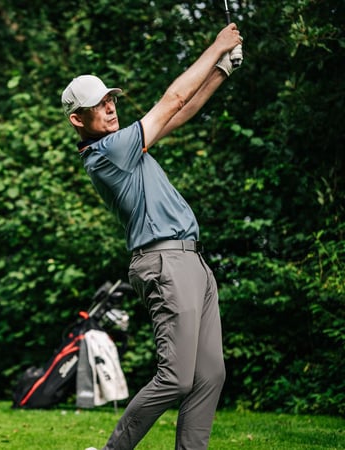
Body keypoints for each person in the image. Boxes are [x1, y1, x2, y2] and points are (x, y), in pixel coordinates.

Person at [62, 24, 244, 450]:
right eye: (98, 105)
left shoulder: (126, 143)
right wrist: (216, 46)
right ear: (78, 119)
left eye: (110, 99)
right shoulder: (106, 153)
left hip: (192, 262)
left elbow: (180, 111)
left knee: (210, 374)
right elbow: (173, 99)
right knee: (176, 377)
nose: (109, 108)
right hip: (164, 263)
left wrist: (222, 71)